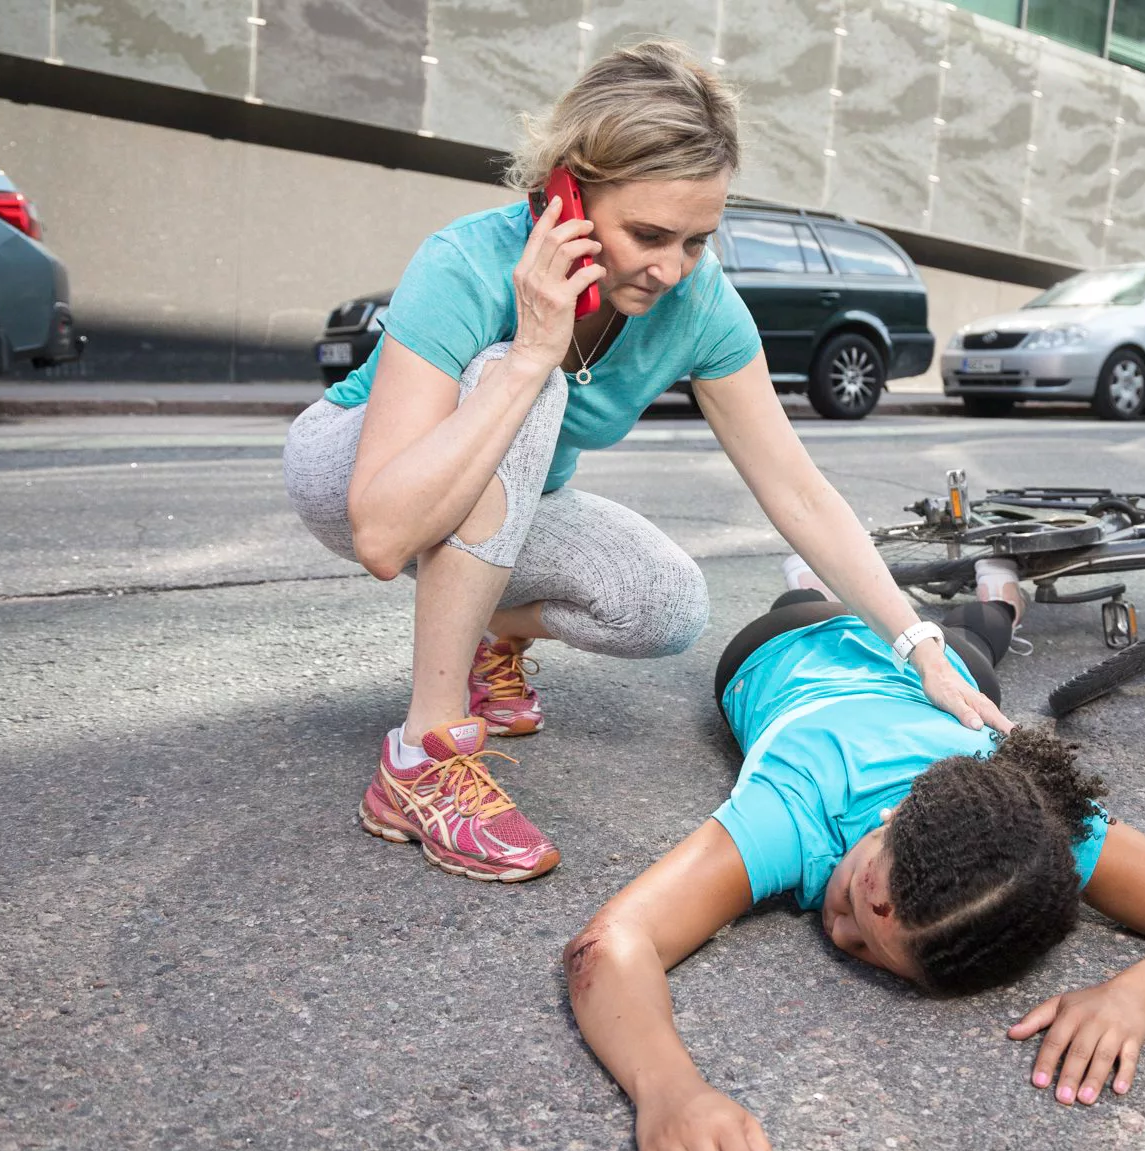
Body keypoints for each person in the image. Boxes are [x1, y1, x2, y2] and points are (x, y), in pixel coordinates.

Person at [282, 41, 1005, 885]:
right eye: (649, 235)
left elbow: (798, 491)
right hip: (357, 474)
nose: (673, 268)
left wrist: (917, 643)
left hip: (496, 503)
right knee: (528, 384)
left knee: (666, 605)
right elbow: (380, 532)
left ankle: (484, 632)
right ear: (567, 191)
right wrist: (531, 352)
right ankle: (423, 758)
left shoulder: (699, 302)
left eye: (699, 239)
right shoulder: (465, 263)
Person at [564, 572, 1145, 1151]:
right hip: (790, 646)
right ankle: (821, 580)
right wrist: (668, 1091)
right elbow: (612, 942)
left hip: (950, 684)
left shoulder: (1036, 831)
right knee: (813, 605)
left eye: (867, 949)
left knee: (978, 636)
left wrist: (1134, 995)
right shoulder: (798, 805)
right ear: (888, 818)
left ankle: (1002, 590)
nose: (838, 927)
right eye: (852, 900)